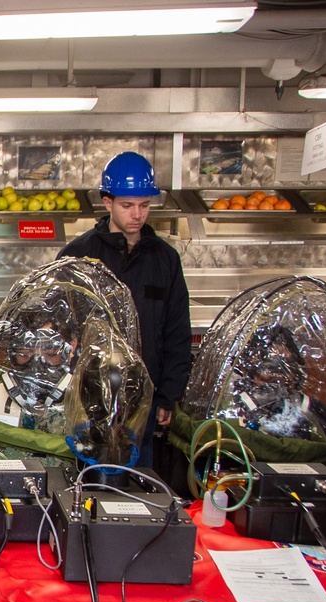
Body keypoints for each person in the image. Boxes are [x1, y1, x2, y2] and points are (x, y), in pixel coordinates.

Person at [57, 152, 192, 488]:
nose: (137, 215)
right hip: (89, 399)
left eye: (144, 205)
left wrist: (167, 396)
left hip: (142, 403)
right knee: (85, 486)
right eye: (128, 205)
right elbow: (60, 326)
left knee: (136, 486)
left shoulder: (165, 259)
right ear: (107, 202)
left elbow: (177, 330)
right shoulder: (78, 256)